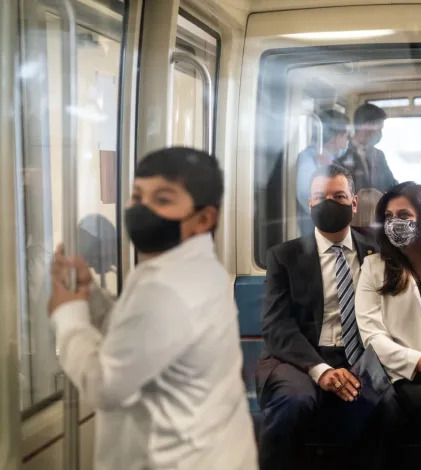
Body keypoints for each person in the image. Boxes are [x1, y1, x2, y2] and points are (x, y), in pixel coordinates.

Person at [48, 147, 257, 470]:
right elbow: (135, 337)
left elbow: (104, 386)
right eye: (137, 196)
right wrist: (91, 298)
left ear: (204, 218)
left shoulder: (167, 288)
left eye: (162, 199)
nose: (142, 209)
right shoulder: (192, 268)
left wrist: (68, 314)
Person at [256, 164, 382, 470]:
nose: (328, 203)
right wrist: (321, 370)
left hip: (363, 353)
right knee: (293, 400)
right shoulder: (283, 256)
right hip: (297, 357)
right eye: (319, 196)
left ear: (354, 203)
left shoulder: (377, 253)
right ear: (309, 203)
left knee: (386, 401)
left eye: (338, 196)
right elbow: (277, 326)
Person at [355, 182, 421, 469]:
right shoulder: (375, 268)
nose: (394, 224)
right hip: (405, 375)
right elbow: (373, 337)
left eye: (404, 215)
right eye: (388, 217)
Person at [296, 109, 350, 234]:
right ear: (337, 137)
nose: (348, 140)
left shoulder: (332, 156)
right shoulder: (308, 159)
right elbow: (307, 196)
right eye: (346, 135)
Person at [335, 103, 397, 193]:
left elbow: (391, 184)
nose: (380, 133)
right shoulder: (341, 153)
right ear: (365, 125)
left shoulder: (379, 155)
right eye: (378, 128)